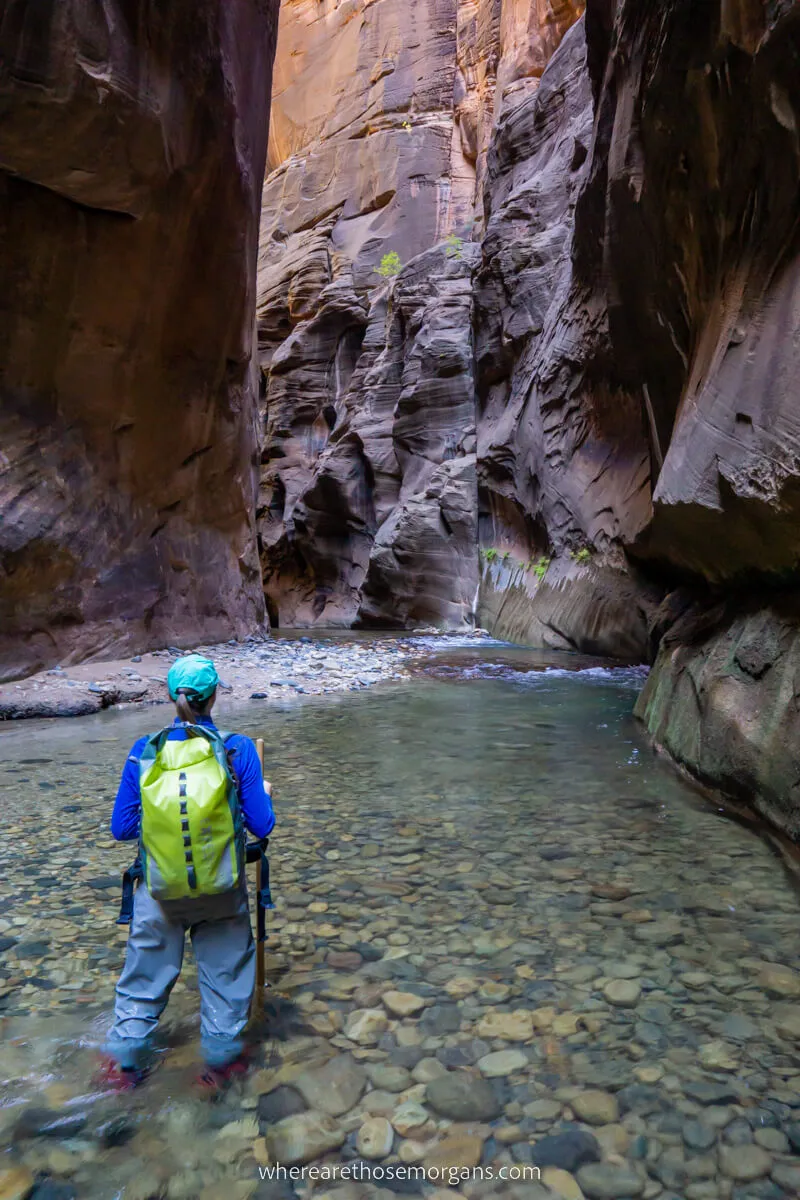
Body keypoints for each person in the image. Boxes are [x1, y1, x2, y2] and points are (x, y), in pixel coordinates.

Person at [99, 653, 275, 1090]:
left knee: (142, 985)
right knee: (227, 984)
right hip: (222, 891)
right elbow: (263, 826)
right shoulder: (237, 749)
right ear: (215, 695)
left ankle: (122, 1071)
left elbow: (121, 829)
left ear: (170, 695)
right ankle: (219, 1069)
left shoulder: (145, 750)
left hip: (159, 891)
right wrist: (260, 793)